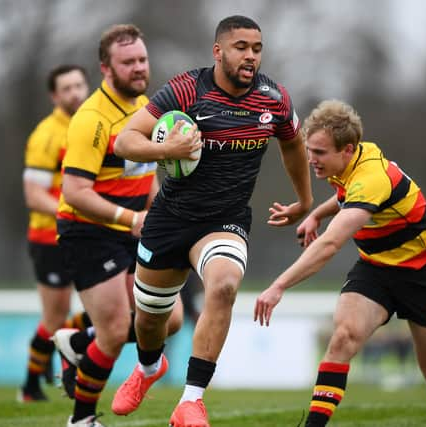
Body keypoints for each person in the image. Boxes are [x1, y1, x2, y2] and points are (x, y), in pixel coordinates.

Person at [112, 15, 312, 426]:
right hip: (169, 218)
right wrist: (167, 148)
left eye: (257, 48)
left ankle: (191, 401)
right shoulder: (187, 89)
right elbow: (125, 140)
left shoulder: (274, 98)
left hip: (225, 220)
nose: (251, 56)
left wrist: (304, 201)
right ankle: (149, 368)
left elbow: (293, 144)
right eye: (241, 47)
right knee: (150, 321)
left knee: (223, 286)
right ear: (218, 51)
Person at [254, 100, 426, 427]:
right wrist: (317, 215)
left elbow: (331, 244)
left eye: (319, 153)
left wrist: (278, 286)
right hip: (376, 270)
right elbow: (344, 195)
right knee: (343, 338)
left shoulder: (371, 178)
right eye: (309, 150)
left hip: (424, 272)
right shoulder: (350, 163)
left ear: (347, 150)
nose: (311, 160)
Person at [54, 24, 183, 427]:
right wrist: (130, 219)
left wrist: (156, 212)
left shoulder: (144, 107)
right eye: (128, 62)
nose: (139, 68)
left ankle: (79, 342)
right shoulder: (91, 119)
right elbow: (74, 192)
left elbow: (146, 173)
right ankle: (82, 419)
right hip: (87, 231)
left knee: (171, 318)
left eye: (142, 60)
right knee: (112, 331)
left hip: (132, 227)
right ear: (106, 69)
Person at [19, 64, 91, 402]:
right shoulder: (46, 136)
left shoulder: (92, 124)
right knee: (55, 316)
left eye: (79, 85)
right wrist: (76, 208)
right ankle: (31, 385)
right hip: (51, 238)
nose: (75, 92)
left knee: (110, 305)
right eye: (67, 88)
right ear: (54, 95)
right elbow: (34, 196)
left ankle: (59, 348)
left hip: (88, 234)